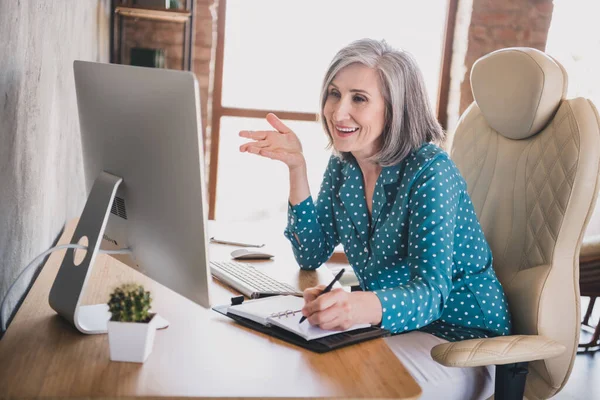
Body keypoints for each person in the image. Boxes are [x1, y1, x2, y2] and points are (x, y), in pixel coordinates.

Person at [239, 38, 511, 399]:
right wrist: (296, 167)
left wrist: (357, 306)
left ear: (395, 108)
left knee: (337, 383)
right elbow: (311, 254)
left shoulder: (431, 171)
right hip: (394, 328)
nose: (337, 113)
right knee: (298, 368)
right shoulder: (343, 166)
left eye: (359, 99)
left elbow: (432, 294)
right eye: (334, 94)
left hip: (461, 338)